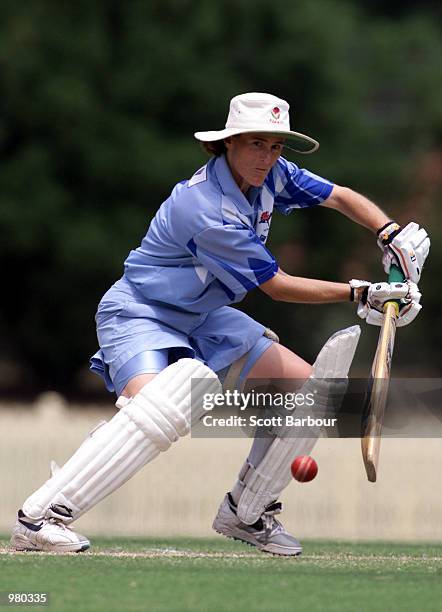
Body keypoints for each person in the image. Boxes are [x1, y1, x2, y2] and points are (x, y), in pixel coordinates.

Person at [11, 92, 429, 556]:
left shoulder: (273, 173)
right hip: (142, 311)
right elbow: (277, 286)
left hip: (208, 315)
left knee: (311, 392)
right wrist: (363, 293)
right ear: (227, 143)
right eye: (255, 144)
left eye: (275, 146)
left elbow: (341, 197)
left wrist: (389, 234)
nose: (266, 157)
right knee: (166, 404)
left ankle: (246, 512)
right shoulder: (207, 208)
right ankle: (41, 518)